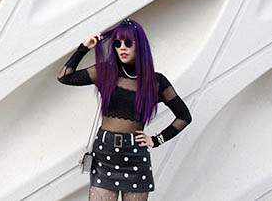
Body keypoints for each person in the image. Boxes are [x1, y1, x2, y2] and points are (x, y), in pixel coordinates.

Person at [57, 18, 192, 201]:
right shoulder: (106, 72)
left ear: (139, 46)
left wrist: (156, 140)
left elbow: (184, 116)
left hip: (135, 156)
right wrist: (84, 47)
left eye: (128, 43)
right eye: (118, 43)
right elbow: (65, 77)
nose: (122, 47)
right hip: (105, 154)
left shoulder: (155, 82)